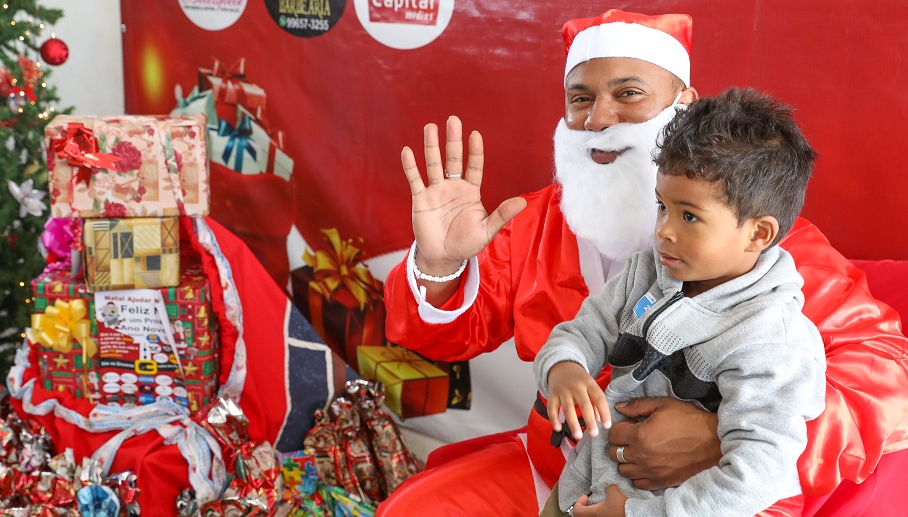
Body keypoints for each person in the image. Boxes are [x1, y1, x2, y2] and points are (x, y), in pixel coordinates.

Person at [381, 9, 908, 516]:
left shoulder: (765, 252)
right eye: (580, 98)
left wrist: (720, 435)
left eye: (628, 94)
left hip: (700, 495)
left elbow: (888, 378)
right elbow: (439, 339)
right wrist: (440, 261)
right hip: (561, 469)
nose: (598, 120)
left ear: (683, 104)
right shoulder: (535, 220)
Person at [537, 88, 826, 516]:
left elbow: (755, 476)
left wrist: (636, 514)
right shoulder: (647, 271)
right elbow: (581, 332)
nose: (663, 231)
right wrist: (564, 366)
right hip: (583, 486)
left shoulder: (770, 341)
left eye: (689, 216)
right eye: (661, 207)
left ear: (758, 234)